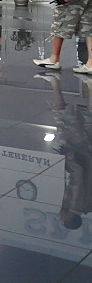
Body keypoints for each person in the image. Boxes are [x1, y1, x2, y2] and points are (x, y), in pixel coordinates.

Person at [34, 70, 92, 230]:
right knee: (63, 118)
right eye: (61, 220)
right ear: (69, 219)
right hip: (80, 153)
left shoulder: (87, 206)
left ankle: (89, 84)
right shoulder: (75, 204)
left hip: (88, 155)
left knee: (89, 120)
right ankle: (54, 81)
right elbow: (77, 178)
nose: (59, 217)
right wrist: (69, 156)